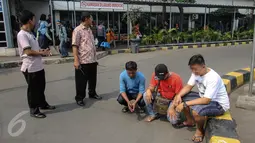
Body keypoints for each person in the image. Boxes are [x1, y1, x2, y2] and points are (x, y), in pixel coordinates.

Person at [172, 54, 230, 143]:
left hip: (218, 104)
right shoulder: (195, 73)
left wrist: (185, 104)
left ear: (203, 66)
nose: (194, 71)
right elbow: (188, 87)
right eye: (192, 69)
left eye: (195, 69)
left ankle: (200, 130)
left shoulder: (213, 78)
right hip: (203, 97)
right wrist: (178, 95)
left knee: (197, 111)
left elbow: (206, 100)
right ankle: (190, 121)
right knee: (181, 96)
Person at [17, 10, 55, 119]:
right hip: (30, 67)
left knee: (41, 87)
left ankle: (43, 104)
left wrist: (41, 51)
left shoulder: (30, 33)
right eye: (34, 19)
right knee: (33, 90)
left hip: (38, 66)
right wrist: (42, 53)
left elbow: (34, 49)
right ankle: (34, 110)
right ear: (30, 20)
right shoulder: (22, 34)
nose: (36, 21)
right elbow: (28, 51)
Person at [72, 12, 102, 107]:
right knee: (81, 81)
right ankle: (80, 98)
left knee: (93, 79)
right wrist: (76, 60)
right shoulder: (78, 30)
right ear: (86, 19)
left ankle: (92, 93)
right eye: (91, 18)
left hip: (92, 60)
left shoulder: (89, 30)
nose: (92, 20)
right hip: (83, 60)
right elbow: (75, 46)